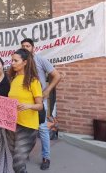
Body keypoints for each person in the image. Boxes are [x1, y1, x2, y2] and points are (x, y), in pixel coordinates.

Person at [21, 38, 62, 170]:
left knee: (43, 129)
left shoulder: (40, 60)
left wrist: (47, 90)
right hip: (24, 102)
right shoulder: (21, 63)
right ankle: (24, 153)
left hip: (39, 101)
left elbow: (57, 76)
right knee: (25, 129)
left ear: (33, 48)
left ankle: (46, 157)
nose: (25, 48)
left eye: (28, 46)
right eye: (23, 46)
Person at [7, 48, 43, 173]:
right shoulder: (14, 79)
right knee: (18, 164)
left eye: (15, 60)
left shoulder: (33, 81)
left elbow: (40, 106)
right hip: (12, 125)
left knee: (17, 163)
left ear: (25, 62)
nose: (12, 63)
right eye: (12, 60)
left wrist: (28, 106)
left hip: (28, 127)